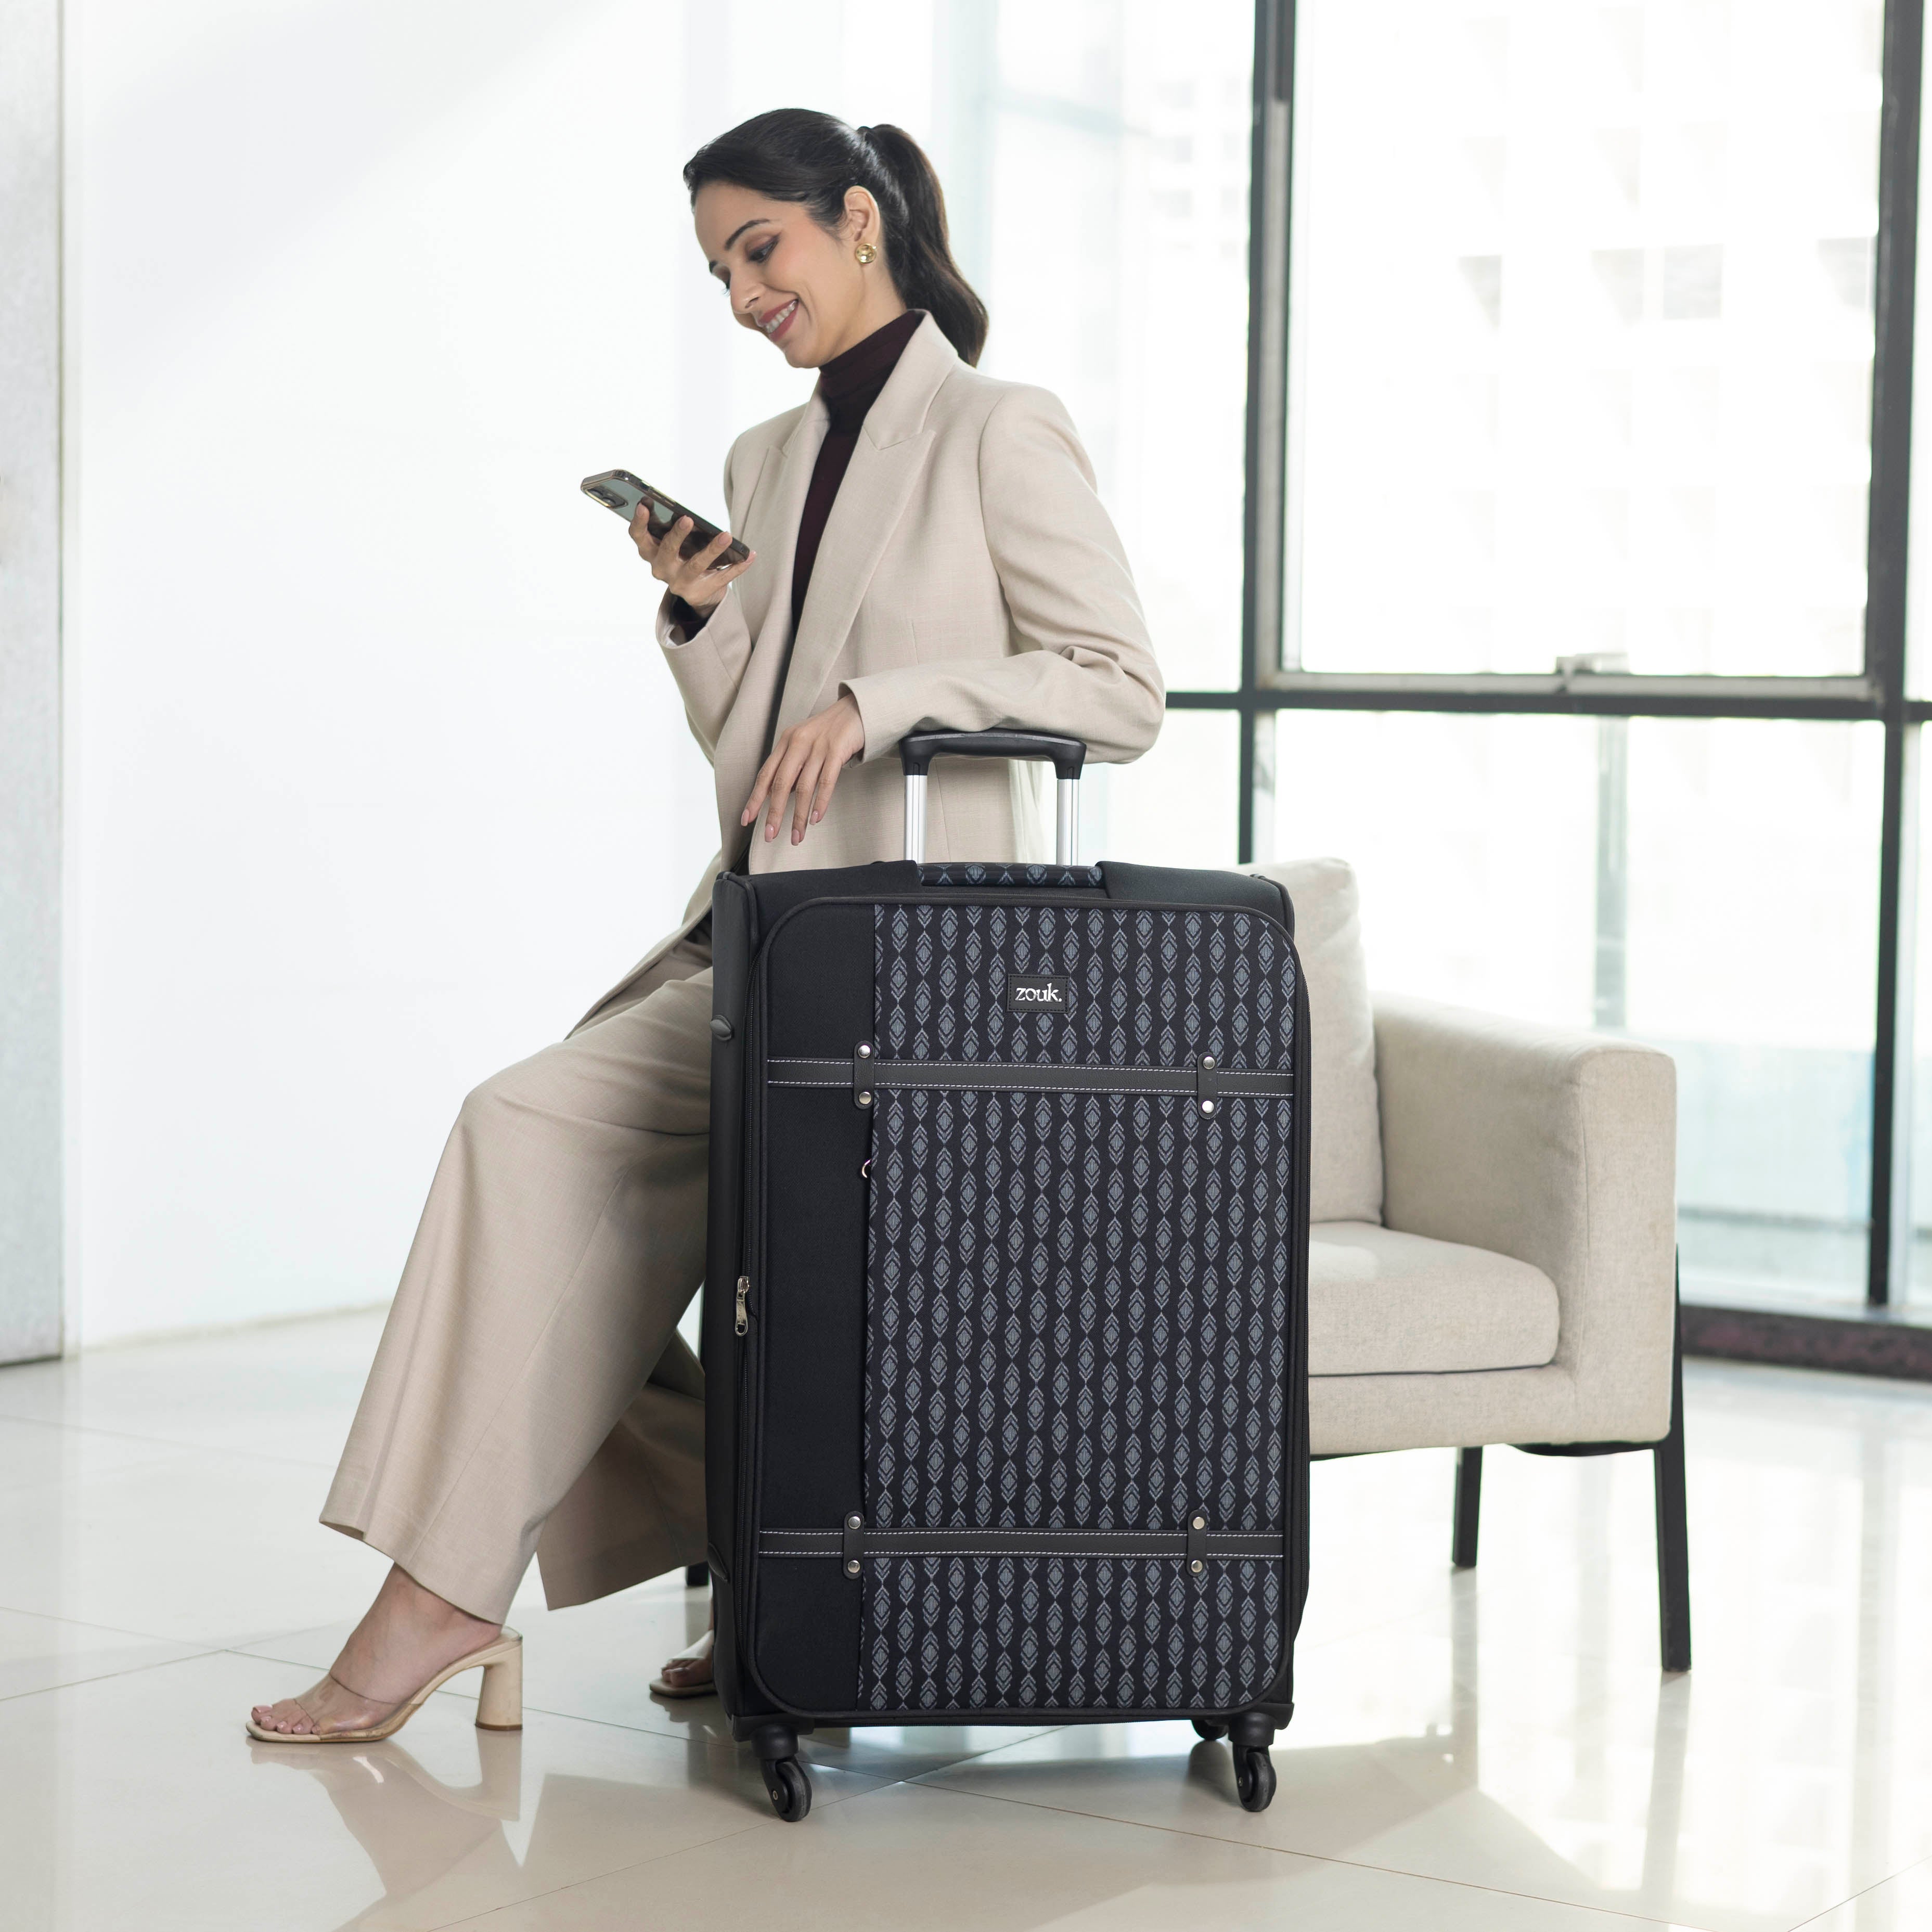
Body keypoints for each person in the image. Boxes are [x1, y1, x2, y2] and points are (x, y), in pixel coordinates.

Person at [248, 107, 1163, 1740]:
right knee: (534, 1143)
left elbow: (1119, 687)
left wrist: (887, 699)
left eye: (762, 250)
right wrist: (699, 613)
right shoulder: (764, 460)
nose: (745, 295)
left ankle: (449, 1595)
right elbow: (753, 756)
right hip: (752, 936)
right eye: (721, 271)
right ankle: (742, 1556)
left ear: (859, 220)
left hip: (907, 967)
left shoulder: (997, 429)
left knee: (529, 1132)